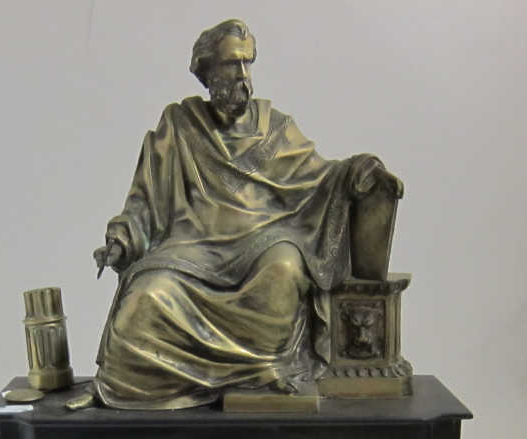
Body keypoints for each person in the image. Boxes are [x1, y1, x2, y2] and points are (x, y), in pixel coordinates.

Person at [68, 19, 403, 411]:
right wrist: (121, 240)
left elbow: (324, 177)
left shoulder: (276, 129)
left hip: (265, 242)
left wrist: (361, 169)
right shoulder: (179, 126)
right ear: (208, 71)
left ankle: (264, 370)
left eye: (247, 63)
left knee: (284, 271)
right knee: (145, 298)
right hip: (193, 251)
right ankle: (135, 385)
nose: (242, 75)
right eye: (231, 64)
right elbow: (144, 202)